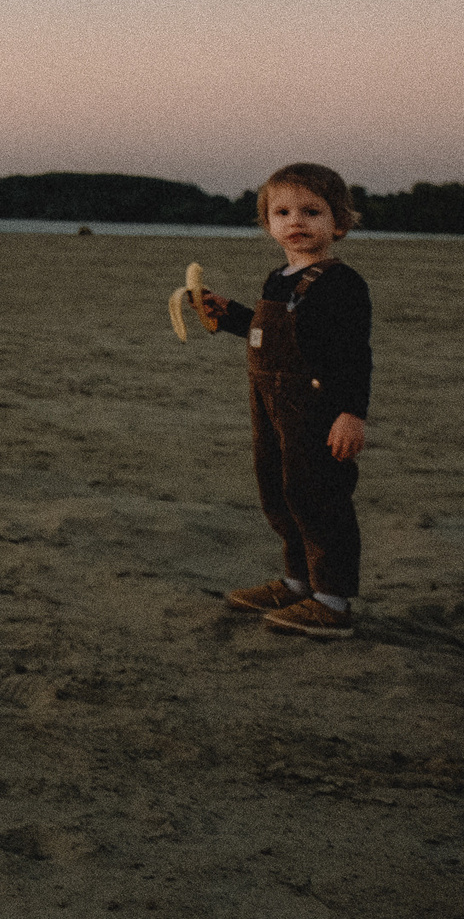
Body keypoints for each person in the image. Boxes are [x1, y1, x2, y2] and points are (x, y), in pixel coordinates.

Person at [190, 163, 374, 638]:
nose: (296, 221)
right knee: (279, 492)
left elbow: (354, 354)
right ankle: (297, 583)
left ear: (339, 223)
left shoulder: (341, 283)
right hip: (270, 405)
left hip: (318, 409)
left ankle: (331, 600)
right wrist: (228, 315)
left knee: (318, 497)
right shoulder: (279, 277)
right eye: (283, 211)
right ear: (268, 224)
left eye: (312, 211)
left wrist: (351, 413)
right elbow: (266, 333)